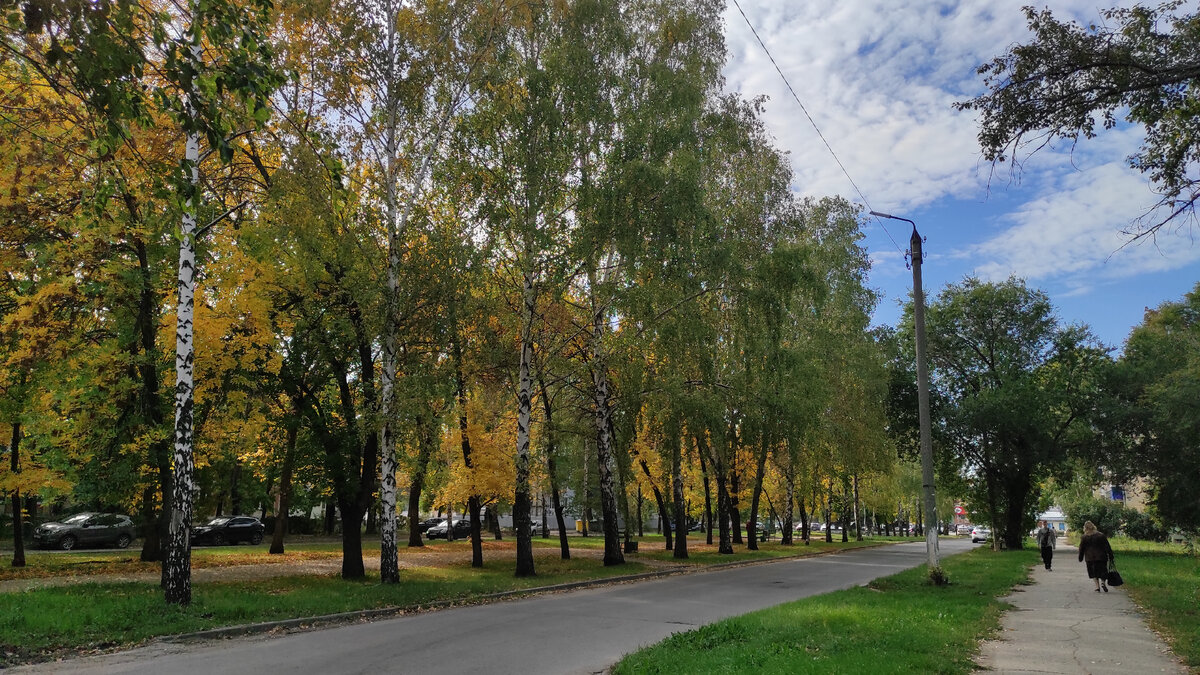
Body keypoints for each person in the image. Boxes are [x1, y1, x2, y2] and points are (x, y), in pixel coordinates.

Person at [1077, 520, 1115, 592]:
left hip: (1090, 558)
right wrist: (1111, 555)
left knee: (1093, 572)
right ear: (1093, 526)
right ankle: (1103, 583)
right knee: (1103, 571)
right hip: (1101, 557)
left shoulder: (1084, 537)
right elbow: (1107, 546)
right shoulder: (1101, 535)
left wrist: (1080, 557)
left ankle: (1097, 587)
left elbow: (1081, 548)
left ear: (1085, 528)